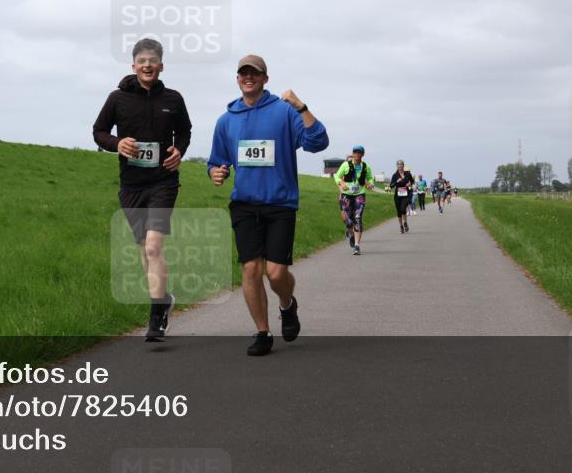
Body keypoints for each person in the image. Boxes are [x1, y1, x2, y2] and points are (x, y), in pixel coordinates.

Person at [207, 55, 329, 357]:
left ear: (265, 78)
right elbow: (216, 161)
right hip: (244, 204)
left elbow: (318, 142)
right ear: (237, 79)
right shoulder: (226, 120)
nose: (248, 77)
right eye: (243, 73)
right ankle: (262, 332)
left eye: (255, 73)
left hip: (280, 203)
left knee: (275, 274)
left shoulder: (284, 111)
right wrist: (216, 172)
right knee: (250, 269)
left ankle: (287, 304)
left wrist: (301, 107)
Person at [93, 38, 192, 342]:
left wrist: (179, 150)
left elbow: (185, 130)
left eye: (153, 61)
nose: (147, 65)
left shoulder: (174, 99)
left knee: (153, 247)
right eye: (142, 61)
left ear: (161, 66)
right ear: (133, 65)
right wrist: (116, 144)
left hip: (164, 181)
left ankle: (156, 317)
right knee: (143, 248)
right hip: (131, 185)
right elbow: (99, 131)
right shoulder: (117, 98)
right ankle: (163, 298)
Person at [334, 146, 374, 255]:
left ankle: (357, 245)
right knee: (348, 221)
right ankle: (350, 232)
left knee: (358, 218)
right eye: (355, 152)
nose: (357, 154)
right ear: (353, 153)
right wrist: (341, 183)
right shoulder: (345, 165)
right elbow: (337, 176)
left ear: (362, 154)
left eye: (359, 152)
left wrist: (370, 184)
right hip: (346, 195)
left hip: (359, 195)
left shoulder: (365, 166)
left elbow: (370, 178)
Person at [390, 160, 415, 233]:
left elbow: (412, 181)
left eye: (401, 164)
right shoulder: (395, 175)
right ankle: (401, 226)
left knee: (403, 209)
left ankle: (405, 222)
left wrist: (409, 183)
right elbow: (391, 186)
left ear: (403, 165)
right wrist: (396, 182)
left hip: (405, 194)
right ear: (397, 166)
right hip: (397, 195)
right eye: (398, 164)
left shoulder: (407, 174)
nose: (400, 166)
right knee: (399, 211)